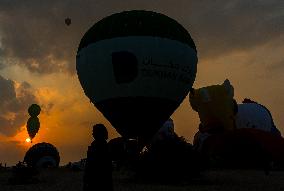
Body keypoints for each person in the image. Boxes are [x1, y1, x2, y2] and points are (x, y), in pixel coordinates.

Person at [83, 124, 113, 191]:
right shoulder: (101, 145)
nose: (92, 134)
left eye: (94, 132)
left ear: (99, 133)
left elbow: (93, 164)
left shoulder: (101, 146)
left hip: (97, 180)